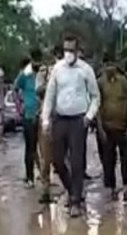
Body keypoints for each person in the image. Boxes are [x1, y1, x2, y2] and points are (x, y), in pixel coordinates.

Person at [41, 33, 101, 218]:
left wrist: (89, 117)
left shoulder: (86, 70)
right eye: (65, 49)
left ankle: (75, 200)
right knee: (57, 161)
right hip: (60, 119)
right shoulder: (57, 69)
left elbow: (96, 97)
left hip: (78, 120)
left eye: (71, 49)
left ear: (77, 50)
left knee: (77, 161)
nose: (68, 53)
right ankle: (72, 190)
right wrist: (45, 120)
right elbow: (50, 96)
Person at [97, 53, 127, 202]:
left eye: (112, 64)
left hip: (123, 127)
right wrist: (100, 127)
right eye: (107, 65)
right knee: (109, 160)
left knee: (126, 159)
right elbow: (98, 106)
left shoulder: (123, 81)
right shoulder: (99, 83)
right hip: (107, 127)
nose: (110, 68)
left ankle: (126, 190)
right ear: (104, 66)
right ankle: (112, 189)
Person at [35, 45, 63, 204]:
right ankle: (45, 190)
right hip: (47, 117)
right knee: (45, 157)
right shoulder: (44, 72)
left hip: (63, 117)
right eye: (57, 55)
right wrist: (51, 83)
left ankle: (69, 191)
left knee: (63, 156)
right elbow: (38, 90)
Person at [14, 49, 42, 188]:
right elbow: (15, 89)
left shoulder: (44, 73)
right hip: (29, 115)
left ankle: (45, 176)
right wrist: (19, 107)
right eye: (34, 60)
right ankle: (30, 177)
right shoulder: (25, 74)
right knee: (30, 148)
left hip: (43, 115)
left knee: (45, 148)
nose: (37, 63)